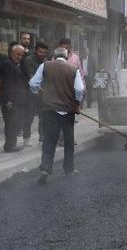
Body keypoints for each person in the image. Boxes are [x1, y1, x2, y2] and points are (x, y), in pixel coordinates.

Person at [29, 47, 85, 183]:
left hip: (49, 110)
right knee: (68, 141)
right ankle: (69, 169)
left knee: (49, 140)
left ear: (54, 57)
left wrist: (39, 92)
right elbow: (79, 89)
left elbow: (32, 83)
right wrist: (77, 103)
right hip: (67, 111)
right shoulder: (73, 69)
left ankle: (45, 169)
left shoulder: (45, 65)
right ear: (66, 58)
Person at [0, 44, 30, 152]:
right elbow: (8, 83)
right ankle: (10, 145)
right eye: (18, 54)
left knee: (15, 122)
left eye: (21, 55)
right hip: (11, 100)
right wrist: (9, 100)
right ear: (11, 53)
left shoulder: (17, 64)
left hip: (19, 99)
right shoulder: (8, 64)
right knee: (11, 123)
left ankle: (11, 144)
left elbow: (26, 77)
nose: (19, 57)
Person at [20, 41, 47, 144]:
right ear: (36, 51)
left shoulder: (46, 61)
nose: (42, 54)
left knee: (43, 117)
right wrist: (40, 87)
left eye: (44, 52)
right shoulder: (28, 60)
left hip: (43, 94)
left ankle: (42, 138)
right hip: (30, 93)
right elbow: (30, 76)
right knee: (29, 117)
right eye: (40, 51)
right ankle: (26, 138)